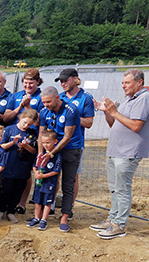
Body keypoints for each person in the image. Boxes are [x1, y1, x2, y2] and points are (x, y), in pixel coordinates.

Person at [92, 69, 149, 239]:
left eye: (127, 83)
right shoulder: (129, 99)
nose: (123, 86)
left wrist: (114, 111)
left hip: (128, 152)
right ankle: (112, 219)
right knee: (115, 189)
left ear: (139, 82)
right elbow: (115, 124)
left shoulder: (144, 99)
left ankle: (119, 225)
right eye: (122, 83)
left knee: (122, 188)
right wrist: (107, 111)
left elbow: (136, 126)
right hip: (116, 150)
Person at [39, 86, 82, 232]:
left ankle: (64, 216)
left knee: (68, 183)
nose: (46, 105)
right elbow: (41, 134)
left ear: (57, 98)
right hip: (51, 150)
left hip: (71, 149)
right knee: (49, 180)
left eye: (48, 102)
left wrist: (51, 153)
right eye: (43, 102)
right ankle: (45, 213)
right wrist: (41, 153)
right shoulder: (44, 112)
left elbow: (67, 136)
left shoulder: (71, 110)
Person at [57, 68, 95, 209]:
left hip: (74, 144)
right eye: (61, 81)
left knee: (72, 177)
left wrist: (71, 118)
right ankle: (52, 205)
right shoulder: (59, 97)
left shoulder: (85, 97)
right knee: (55, 174)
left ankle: (69, 207)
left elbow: (89, 122)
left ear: (75, 78)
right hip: (58, 142)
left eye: (66, 80)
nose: (63, 83)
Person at [0, 108, 39, 223]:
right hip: (9, 165)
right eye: (25, 122)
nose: (26, 125)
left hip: (23, 167)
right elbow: (1, 146)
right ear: (20, 118)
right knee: (6, 189)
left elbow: (34, 151)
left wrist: (25, 146)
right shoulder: (10, 129)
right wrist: (13, 142)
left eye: (29, 124)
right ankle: (0, 210)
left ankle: (11, 211)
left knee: (18, 191)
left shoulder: (32, 133)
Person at [26, 131, 62, 231]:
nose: (45, 145)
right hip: (39, 183)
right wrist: (36, 173)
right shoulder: (40, 154)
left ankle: (44, 220)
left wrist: (43, 176)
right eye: (43, 143)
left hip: (49, 184)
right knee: (37, 201)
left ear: (55, 141)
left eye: (48, 142)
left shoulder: (57, 156)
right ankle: (36, 217)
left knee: (47, 202)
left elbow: (56, 171)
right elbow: (35, 166)